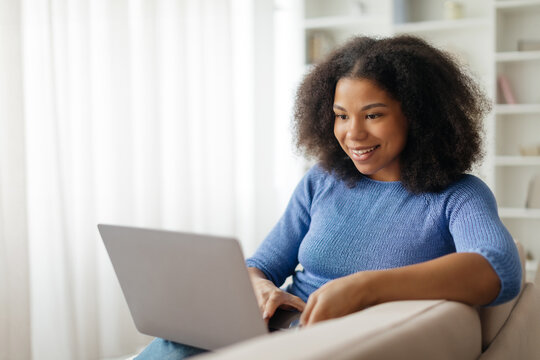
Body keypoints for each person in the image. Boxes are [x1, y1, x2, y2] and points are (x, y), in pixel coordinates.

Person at [136, 35, 522, 359]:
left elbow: (498, 268)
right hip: (270, 328)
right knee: (174, 342)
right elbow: (260, 265)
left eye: (373, 115)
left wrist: (364, 286)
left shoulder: (457, 195)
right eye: (341, 115)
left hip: (328, 344)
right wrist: (260, 289)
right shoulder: (322, 180)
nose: (352, 134)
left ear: (418, 117)